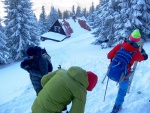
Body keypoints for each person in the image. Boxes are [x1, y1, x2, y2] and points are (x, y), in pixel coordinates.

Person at [107, 29, 148, 113]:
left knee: (121, 84)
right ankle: (117, 106)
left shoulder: (120, 46)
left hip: (112, 70)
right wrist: (143, 52)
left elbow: (109, 56)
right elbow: (144, 58)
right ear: (138, 41)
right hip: (124, 76)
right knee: (122, 90)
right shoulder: (136, 53)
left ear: (129, 37)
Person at [31, 66, 98, 113]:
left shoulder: (62, 72)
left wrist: (52, 92)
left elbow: (44, 80)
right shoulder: (80, 90)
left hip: (36, 104)